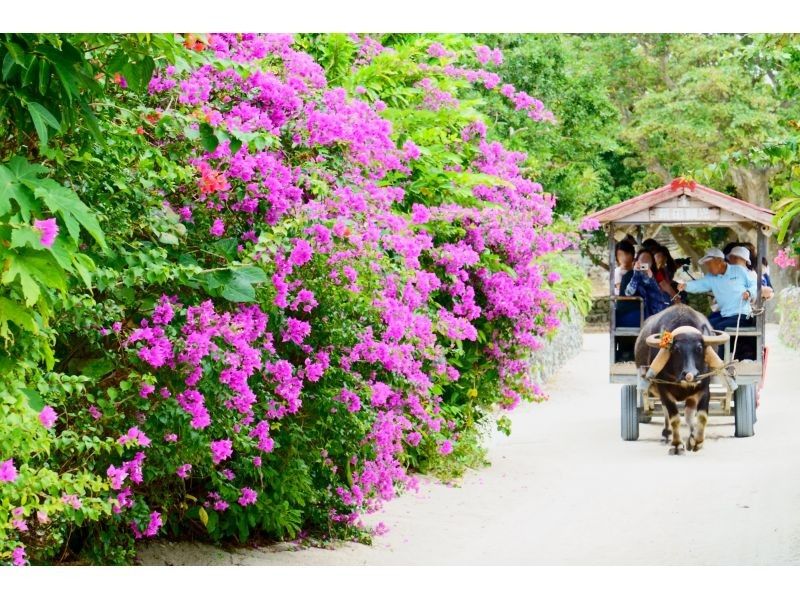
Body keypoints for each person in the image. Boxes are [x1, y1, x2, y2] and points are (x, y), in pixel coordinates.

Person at [677, 247, 756, 332]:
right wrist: (685, 286)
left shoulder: (739, 270)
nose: (708, 268)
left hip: (742, 315)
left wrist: (749, 292)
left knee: (719, 328)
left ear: (719, 261)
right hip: (725, 315)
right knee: (705, 326)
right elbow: (699, 284)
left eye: (709, 264)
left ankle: (721, 346)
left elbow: (755, 285)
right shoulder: (711, 277)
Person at [622, 249, 672, 320]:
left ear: (651, 264)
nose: (644, 264)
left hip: (650, 313)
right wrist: (636, 274)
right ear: (637, 262)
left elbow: (659, 297)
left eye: (647, 261)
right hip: (631, 312)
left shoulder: (652, 276)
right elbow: (629, 292)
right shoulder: (629, 276)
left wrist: (651, 279)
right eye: (642, 261)